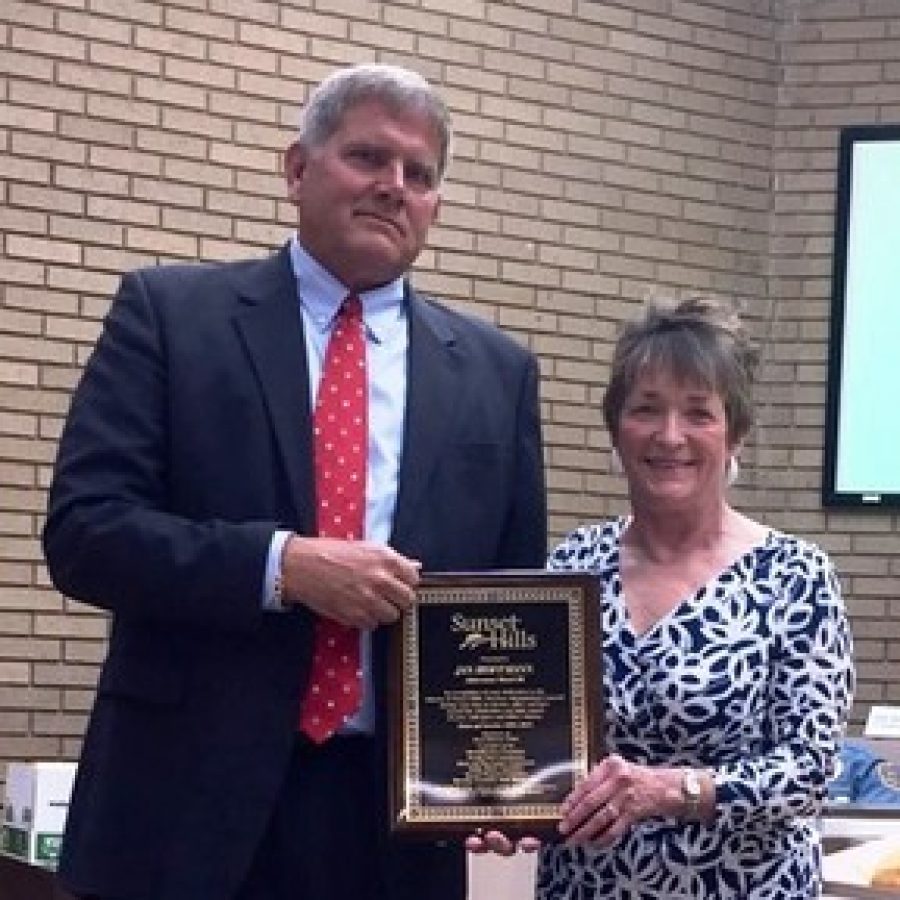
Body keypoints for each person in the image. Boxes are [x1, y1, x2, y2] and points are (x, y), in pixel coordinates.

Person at [43, 63, 547, 900]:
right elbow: (86, 535)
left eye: (418, 175)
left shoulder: (497, 375)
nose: (393, 187)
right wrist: (282, 568)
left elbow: (508, 601)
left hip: (392, 825)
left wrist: (503, 777)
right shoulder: (170, 318)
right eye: (367, 158)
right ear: (296, 167)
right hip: (182, 806)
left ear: (435, 207)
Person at [471, 296, 854, 898]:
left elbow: (809, 771)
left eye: (698, 414)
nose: (669, 436)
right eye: (646, 409)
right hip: (588, 887)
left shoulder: (796, 577)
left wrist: (670, 790)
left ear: (736, 435)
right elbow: (529, 731)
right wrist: (496, 805)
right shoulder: (574, 565)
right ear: (616, 429)